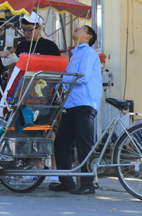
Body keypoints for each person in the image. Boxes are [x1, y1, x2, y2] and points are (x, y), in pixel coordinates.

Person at [49, 25, 101, 195]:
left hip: (84, 104)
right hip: (70, 104)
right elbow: (70, 79)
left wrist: (62, 78)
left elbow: (82, 77)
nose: (76, 29)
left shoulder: (89, 53)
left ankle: (87, 183)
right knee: (61, 142)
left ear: (88, 37)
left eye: (81, 29)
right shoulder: (75, 54)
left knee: (83, 144)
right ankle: (66, 181)